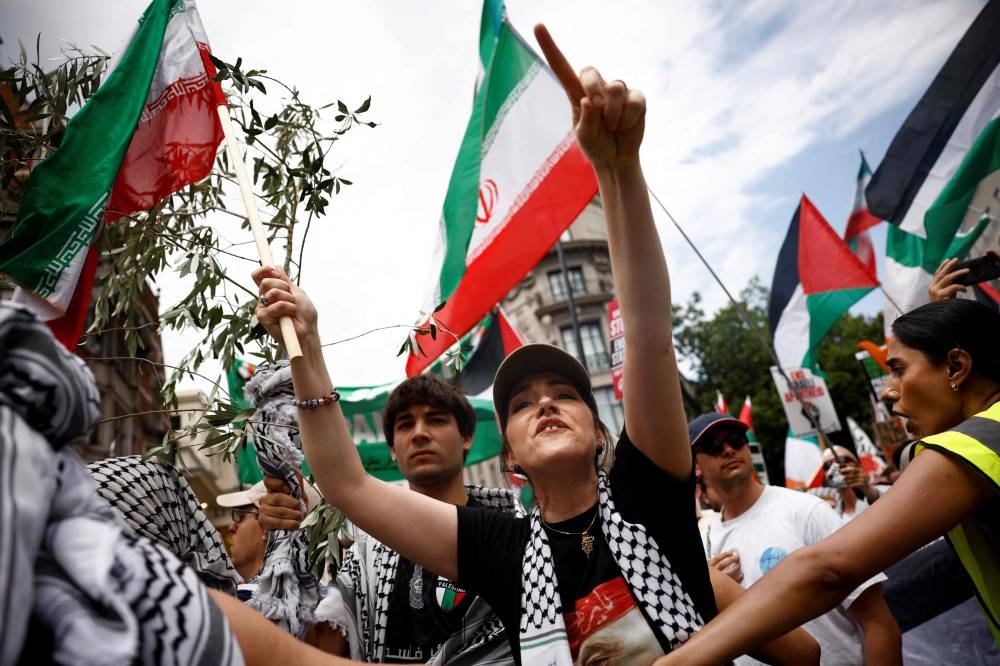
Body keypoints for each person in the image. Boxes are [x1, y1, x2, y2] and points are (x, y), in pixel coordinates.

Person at [253, 25, 818, 666]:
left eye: (563, 394)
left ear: (602, 433)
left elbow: (649, 333)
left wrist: (619, 170)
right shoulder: (503, 550)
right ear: (512, 456)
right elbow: (349, 486)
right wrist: (309, 349)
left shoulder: (648, 494)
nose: (544, 404)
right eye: (521, 404)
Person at [654, 297, 1000, 665]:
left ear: (957, 366)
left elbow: (828, 570)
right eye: (710, 446)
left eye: (898, 369)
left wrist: (675, 663)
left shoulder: (975, 443)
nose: (889, 390)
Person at [259, 374, 521, 663]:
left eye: (436, 420)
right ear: (393, 450)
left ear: (467, 437)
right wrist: (287, 544)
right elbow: (319, 650)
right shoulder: (366, 555)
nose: (419, 433)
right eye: (406, 425)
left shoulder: (516, 539)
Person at [692, 412, 901, 665]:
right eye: (713, 446)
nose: (728, 450)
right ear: (696, 466)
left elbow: (878, 623)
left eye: (736, 440)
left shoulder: (806, 511)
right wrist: (713, 593)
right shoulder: (702, 545)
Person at [819, 445, 880, 523]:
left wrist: (867, 489)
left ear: (857, 464)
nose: (836, 466)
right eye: (828, 464)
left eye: (842, 460)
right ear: (825, 474)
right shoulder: (830, 513)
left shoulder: (880, 491)